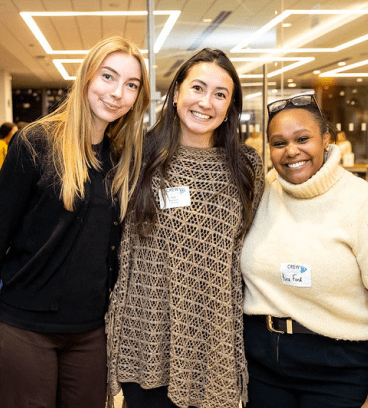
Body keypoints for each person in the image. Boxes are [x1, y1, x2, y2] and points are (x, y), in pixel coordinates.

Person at [0, 36, 150, 407]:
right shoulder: (35, 144)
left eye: (131, 85)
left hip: (89, 332)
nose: (118, 93)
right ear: (86, 79)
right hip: (24, 330)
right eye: (108, 77)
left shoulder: (119, 159)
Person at [105, 48, 264, 408]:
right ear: (176, 93)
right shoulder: (135, 157)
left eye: (220, 95)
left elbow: (249, 250)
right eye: (197, 88)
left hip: (213, 345)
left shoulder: (246, 167)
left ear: (229, 109)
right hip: (145, 340)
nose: (206, 102)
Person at [240, 93, 368, 408]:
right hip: (262, 365)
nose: (291, 150)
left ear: (326, 139)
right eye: (279, 143)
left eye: (302, 138)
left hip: (339, 367)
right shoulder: (261, 193)